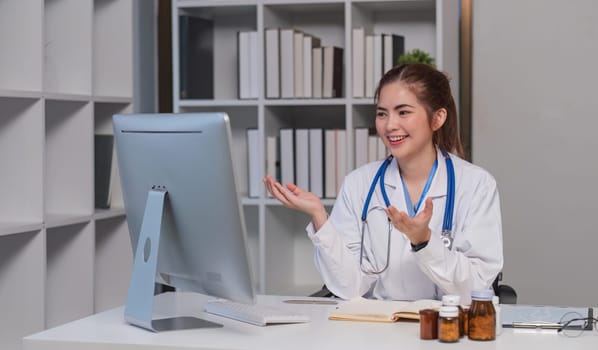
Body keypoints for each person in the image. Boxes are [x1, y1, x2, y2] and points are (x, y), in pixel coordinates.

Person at [263, 63, 503, 302]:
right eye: (382, 113)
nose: (389, 125)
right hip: (377, 329)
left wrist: (424, 242)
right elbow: (348, 287)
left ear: (438, 118)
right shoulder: (359, 184)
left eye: (403, 112)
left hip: (446, 328)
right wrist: (319, 216)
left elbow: (477, 287)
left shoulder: (476, 185)